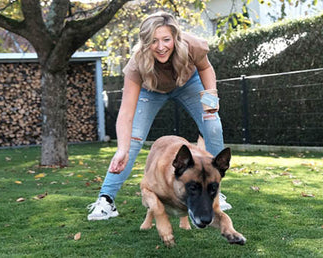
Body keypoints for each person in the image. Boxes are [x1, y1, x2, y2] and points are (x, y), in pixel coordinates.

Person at [87, 11, 232, 221]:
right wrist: (122, 149)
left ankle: (215, 193)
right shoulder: (136, 64)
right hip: (151, 89)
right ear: (146, 42)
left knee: (213, 126)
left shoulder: (193, 45)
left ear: (175, 37)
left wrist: (210, 105)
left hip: (188, 83)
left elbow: (206, 68)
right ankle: (106, 200)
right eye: (154, 41)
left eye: (166, 39)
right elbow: (126, 112)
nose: (161, 46)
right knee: (132, 141)